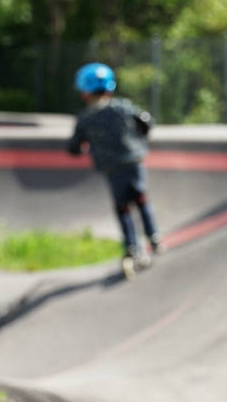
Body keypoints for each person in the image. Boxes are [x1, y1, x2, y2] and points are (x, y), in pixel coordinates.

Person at [65, 62, 158, 278]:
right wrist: (140, 136)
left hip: (112, 166)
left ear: (84, 93)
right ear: (110, 88)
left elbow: (72, 147)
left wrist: (83, 148)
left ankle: (131, 247)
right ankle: (154, 235)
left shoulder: (85, 118)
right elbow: (146, 122)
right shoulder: (123, 106)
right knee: (141, 198)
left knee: (122, 207)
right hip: (134, 160)